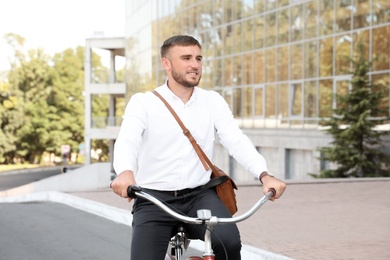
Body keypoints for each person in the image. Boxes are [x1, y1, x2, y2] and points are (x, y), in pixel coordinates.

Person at [111, 35, 286, 260]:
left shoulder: (212, 101)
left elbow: (236, 140)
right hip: (154, 198)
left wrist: (264, 175)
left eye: (198, 58)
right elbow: (128, 140)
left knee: (229, 244)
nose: (195, 64)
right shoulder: (144, 102)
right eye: (186, 58)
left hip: (199, 196)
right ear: (167, 63)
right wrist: (125, 172)